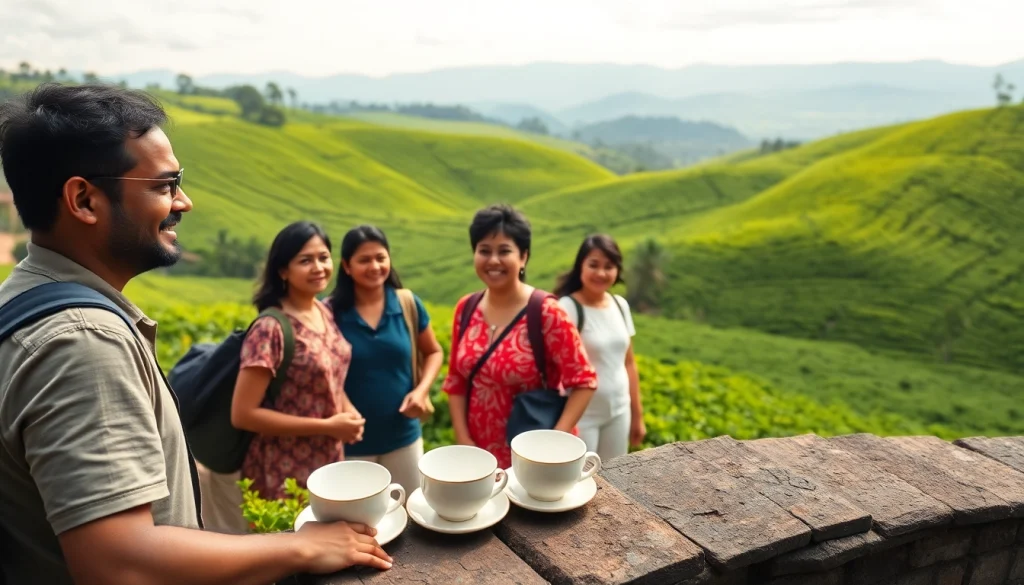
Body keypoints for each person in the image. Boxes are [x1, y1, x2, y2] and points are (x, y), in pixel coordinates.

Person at [0, 83, 391, 585]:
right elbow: (119, 564)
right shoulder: (83, 343)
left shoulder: (19, 301)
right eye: (165, 186)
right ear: (84, 200)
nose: (184, 202)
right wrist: (301, 546)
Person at [441, 204, 599, 470]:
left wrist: (555, 440)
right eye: (484, 251)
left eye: (504, 251)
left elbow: (584, 381)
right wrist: (463, 439)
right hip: (478, 453)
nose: (493, 260)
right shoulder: (466, 308)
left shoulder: (546, 312)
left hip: (533, 455)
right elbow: (456, 380)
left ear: (523, 256)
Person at [231, 221, 367, 501]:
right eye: (305, 261)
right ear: (283, 270)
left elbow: (329, 374)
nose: (318, 267)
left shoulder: (323, 311)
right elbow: (243, 414)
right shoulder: (270, 329)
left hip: (328, 462)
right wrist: (328, 426)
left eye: (323, 257)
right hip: (282, 472)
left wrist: (348, 410)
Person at [329, 225, 443, 492]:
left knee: (410, 507)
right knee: (359, 513)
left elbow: (434, 351)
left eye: (380, 258)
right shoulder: (331, 312)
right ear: (346, 266)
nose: (374, 266)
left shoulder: (406, 304)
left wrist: (421, 390)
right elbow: (324, 370)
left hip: (404, 437)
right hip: (351, 441)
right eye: (364, 260)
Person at [554, 234, 645, 462]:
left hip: (619, 411)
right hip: (582, 417)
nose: (601, 273)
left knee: (614, 476)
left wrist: (637, 415)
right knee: (580, 478)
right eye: (593, 265)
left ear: (617, 271)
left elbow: (628, 362)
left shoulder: (620, 305)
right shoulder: (568, 307)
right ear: (580, 267)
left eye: (609, 266)